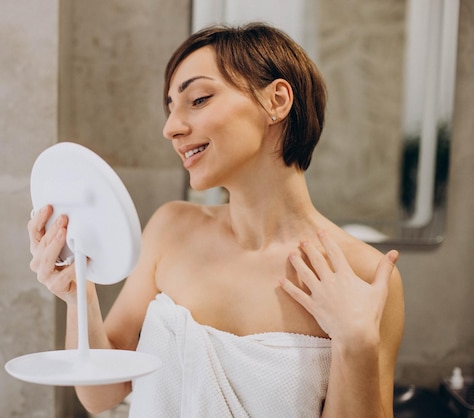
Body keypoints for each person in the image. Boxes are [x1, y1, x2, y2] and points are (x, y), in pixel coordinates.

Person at [28, 22, 404, 417]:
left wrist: (356, 343)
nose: (171, 128)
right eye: (171, 107)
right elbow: (100, 396)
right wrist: (79, 296)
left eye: (199, 99)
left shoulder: (362, 274)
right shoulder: (170, 229)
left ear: (276, 100)